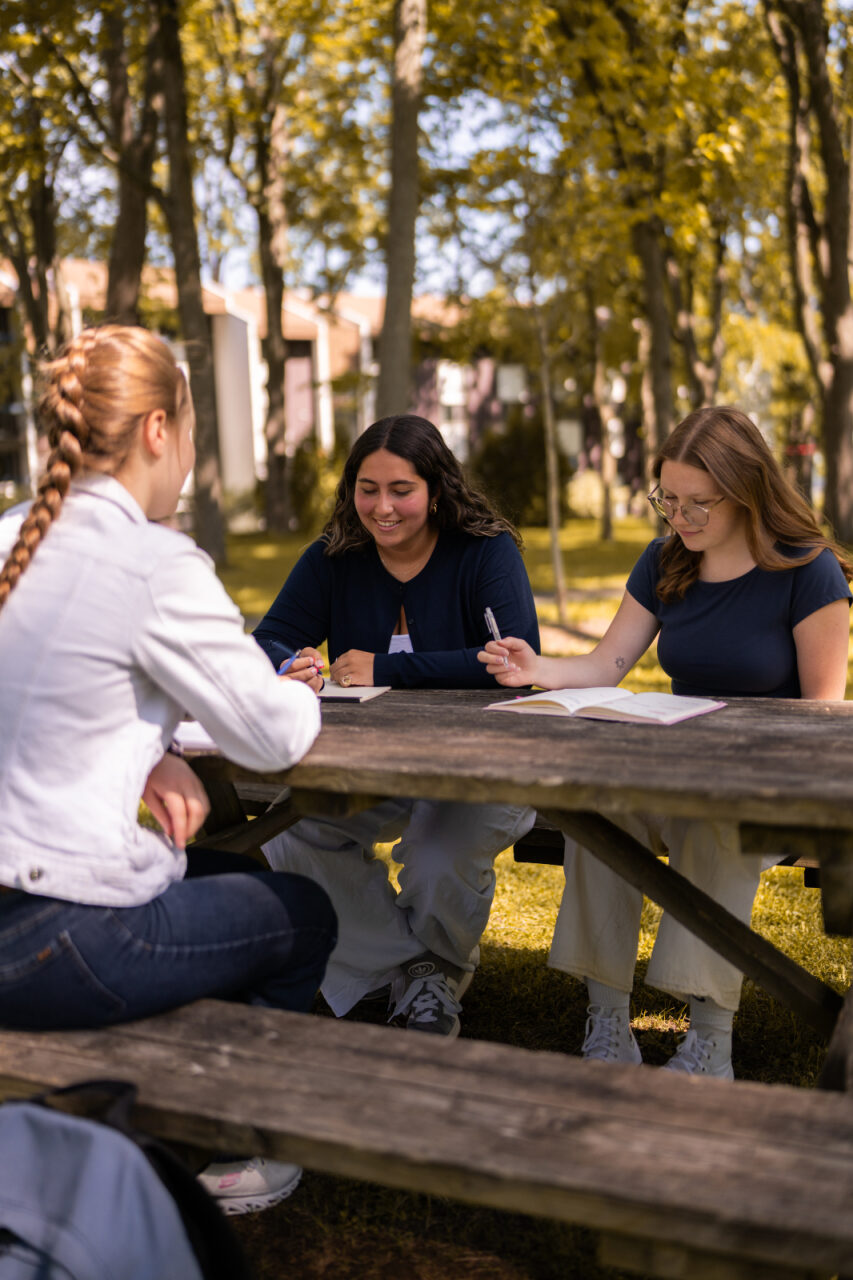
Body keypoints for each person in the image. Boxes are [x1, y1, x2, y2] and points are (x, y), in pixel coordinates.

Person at [0, 325, 338, 1215]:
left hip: (22, 915)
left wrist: (149, 747)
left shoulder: (9, 536)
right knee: (302, 914)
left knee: (224, 873)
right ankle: (245, 1141)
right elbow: (270, 738)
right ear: (159, 430)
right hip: (49, 943)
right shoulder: (150, 562)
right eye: (190, 428)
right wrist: (293, 686)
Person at [479, 405, 852, 1079]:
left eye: (697, 503)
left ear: (745, 490)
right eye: (667, 499)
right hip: (671, 774)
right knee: (597, 810)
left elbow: (821, 717)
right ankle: (607, 1021)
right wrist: (537, 667)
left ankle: (709, 1041)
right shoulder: (664, 560)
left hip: (770, 793)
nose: (679, 517)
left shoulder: (808, 570)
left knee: (712, 818)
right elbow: (606, 665)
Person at [254, 413, 540, 1037]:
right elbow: (268, 637)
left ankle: (424, 980)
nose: (382, 508)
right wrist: (285, 664)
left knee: (440, 853)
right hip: (370, 764)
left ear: (436, 490)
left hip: (486, 763)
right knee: (293, 829)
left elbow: (517, 661)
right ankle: (417, 972)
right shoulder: (334, 557)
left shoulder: (486, 551)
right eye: (368, 489)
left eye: (401, 490)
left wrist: (386, 667)